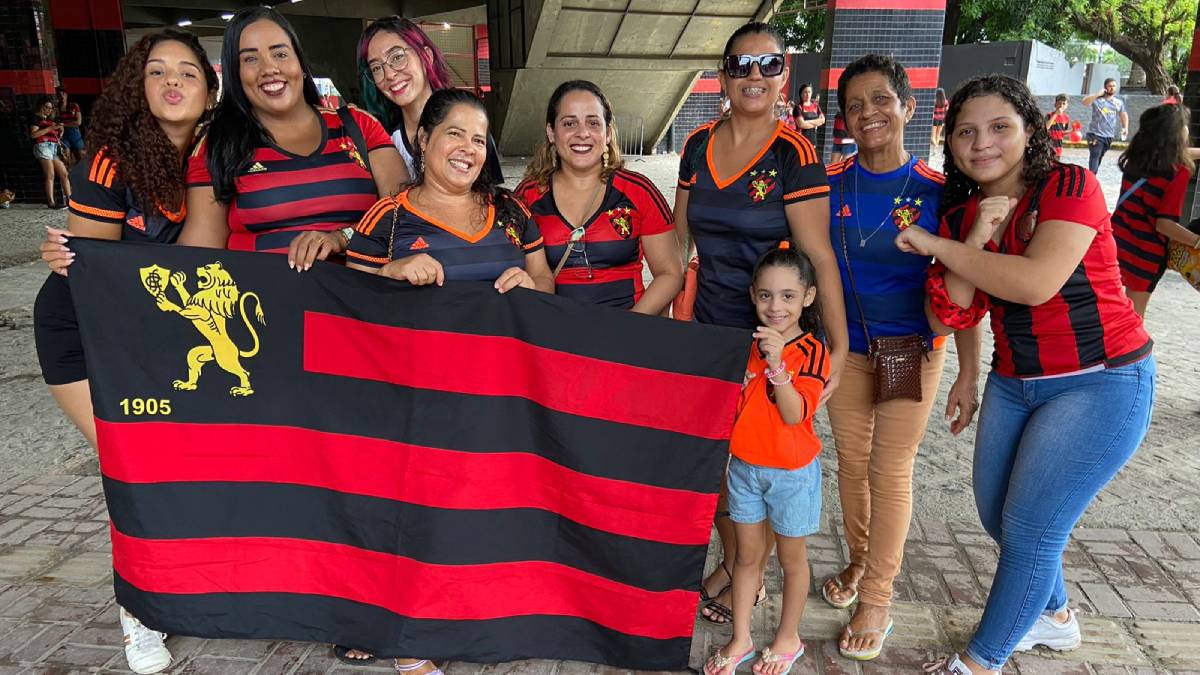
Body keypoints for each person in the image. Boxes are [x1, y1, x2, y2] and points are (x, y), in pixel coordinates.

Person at [897, 74, 1155, 675]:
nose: (981, 143)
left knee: (1032, 527)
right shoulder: (965, 215)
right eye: (966, 132)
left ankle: (981, 661)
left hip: (1102, 380)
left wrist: (940, 245)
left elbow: (1035, 282)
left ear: (1031, 131)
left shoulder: (1070, 185)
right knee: (998, 514)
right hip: (1013, 383)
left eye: (999, 127)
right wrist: (975, 236)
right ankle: (1056, 616)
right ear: (950, 142)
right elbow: (946, 312)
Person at [35, 29, 218, 674]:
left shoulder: (214, 155)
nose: (173, 82)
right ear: (137, 88)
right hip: (87, 334)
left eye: (188, 72)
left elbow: (203, 256)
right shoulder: (110, 159)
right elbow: (98, 284)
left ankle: (179, 587)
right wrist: (64, 253)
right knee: (132, 466)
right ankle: (138, 618)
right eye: (157, 71)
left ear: (209, 88)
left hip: (161, 331)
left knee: (178, 471)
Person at [675, 20, 847, 625]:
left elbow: (819, 259)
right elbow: (677, 240)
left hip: (772, 335)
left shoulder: (794, 152)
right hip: (710, 330)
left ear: (784, 76)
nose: (754, 75)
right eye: (741, 64)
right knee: (722, 459)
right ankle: (735, 561)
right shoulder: (697, 145)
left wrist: (839, 347)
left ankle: (737, 574)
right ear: (723, 75)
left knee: (767, 456)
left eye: (768, 64)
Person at [820, 54, 980, 663]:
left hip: (909, 350)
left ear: (910, 107)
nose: (869, 114)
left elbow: (965, 289)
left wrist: (968, 369)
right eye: (855, 105)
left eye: (882, 99)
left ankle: (879, 596)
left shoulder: (940, 193)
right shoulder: (831, 183)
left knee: (889, 470)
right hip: (848, 352)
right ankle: (861, 564)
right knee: (850, 465)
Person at [180, 6, 406, 267]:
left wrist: (341, 238)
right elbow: (199, 254)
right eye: (250, 59)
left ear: (299, 60)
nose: (270, 68)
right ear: (235, 73)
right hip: (263, 304)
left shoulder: (358, 127)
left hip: (358, 301)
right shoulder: (218, 143)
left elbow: (405, 217)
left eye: (280, 53)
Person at [703, 243, 828, 675]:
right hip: (744, 468)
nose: (776, 306)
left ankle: (787, 639)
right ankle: (740, 639)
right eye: (766, 296)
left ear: (808, 297)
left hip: (792, 474)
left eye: (788, 296)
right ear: (754, 294)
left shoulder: (811, 351)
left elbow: (795, 414)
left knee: (793, 562)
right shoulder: (749, 344)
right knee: (744, 558)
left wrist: (778, 366)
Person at [348, 87, 553, 292]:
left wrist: (531, 287)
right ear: (424, 139)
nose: (468, 148)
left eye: (478, 140)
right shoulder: (386, 217)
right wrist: (388, 274)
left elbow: (543, 278)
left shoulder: (512, 209)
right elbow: (349, 299)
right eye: (455, 134)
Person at [516, 80, 681, 312]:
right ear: (551, 132)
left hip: (624, 337)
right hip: (553, 336)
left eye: (593, 123)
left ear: (607, 133)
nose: (582, 133)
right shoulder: (527, 197)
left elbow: (670, 274)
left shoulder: (639, 191)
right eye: (569, 123)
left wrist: (631, 324)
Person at [357, 16, 503, 183]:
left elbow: (492, 195)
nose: (389, 75)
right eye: (376, 68)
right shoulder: (385, 143)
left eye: (397, 57)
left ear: (426, 56)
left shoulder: (471, 125)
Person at [1112, 103, 1198, 316]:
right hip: (1146, 254)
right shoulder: (1178, 171)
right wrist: (1196, 241)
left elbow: (1182, 153)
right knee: (1134, 317)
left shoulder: (1138, 158)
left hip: (1117, 241)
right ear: (1175, 133)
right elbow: (1164, 224)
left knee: (1111, 307)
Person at [30, 97, 70, 208]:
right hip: (43, 146)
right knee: (50, 174)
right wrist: (50, 128)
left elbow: (55, 134)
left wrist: (60, 130)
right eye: (46, 107)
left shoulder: (50, 119)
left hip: (53, 148)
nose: (48, 110)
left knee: (64, 173)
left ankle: (70, 201)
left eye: (50, 108)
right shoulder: (36, 118)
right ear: (40, 106)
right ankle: (51, 202)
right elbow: (33, 134)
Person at [1082, 78, 1128, 173]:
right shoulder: (1097, 99)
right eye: (1110, 86)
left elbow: (1123, 114)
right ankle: (1092, 177)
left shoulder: (1118, 102)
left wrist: (1125, 127)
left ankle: (1092, 175)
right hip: (1095, 134)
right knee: (1095, 155)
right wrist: (1097, 94)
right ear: (1105, 87)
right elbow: (1085, 102)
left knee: (1099, 156)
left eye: (1114, 86)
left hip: (1108, 135)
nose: (1112, 88)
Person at [57, 87, 85, 165]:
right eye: (59, 95)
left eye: (63, 94)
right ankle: (69, 175)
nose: (62, 96)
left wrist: (63, 124)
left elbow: (78, 122)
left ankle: (80, 175)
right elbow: (56, 123)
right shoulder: (56, 108)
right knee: (66, 158)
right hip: (64, 135)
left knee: (80, 158)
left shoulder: (73, 105)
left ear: (66, 95)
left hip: (75, 135)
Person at [1045, 94, 1069, 158]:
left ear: (1066, 106)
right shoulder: (1049, 115)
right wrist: (1055, 114)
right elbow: (1046, 127)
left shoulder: (1066, 118)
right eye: (1059, 103)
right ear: (1055, 104)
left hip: (1058, 149)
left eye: (1064, 104)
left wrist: (1073, 131)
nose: (1061, 105)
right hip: (1048, 148)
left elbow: (1063, 132)